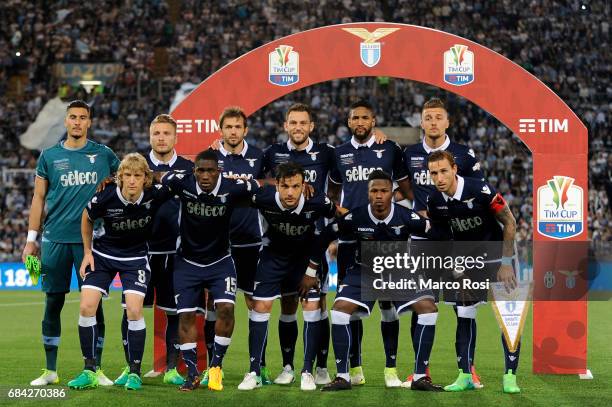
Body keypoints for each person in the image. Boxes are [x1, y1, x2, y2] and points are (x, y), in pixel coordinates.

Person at [23, 100, 119, 387]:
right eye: (73, 117)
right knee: (53, 302)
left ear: (89, 122)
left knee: (94, 305)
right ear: (65, 122)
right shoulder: (49, 156)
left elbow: (124, 182)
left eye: (83, 118)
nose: (77, 122)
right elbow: (38, 199)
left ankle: (95, 368)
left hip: (91, 243)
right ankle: (50, 370)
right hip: (54, 240)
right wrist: (31, 240)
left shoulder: (104, 155)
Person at [320, 170, 443, 392]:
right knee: (338, 311)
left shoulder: (407, 216)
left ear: (392, 193)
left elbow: (437, 235)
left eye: (384, 191)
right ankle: (343, 376)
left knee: (429, 310)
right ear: (368, 193)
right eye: (374, 191)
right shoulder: (355, 216)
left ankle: (420, 377)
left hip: (399, 271)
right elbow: (323, 236)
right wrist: (311, 270)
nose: (378, 195)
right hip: (364, 271)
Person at [67, 153, 171, 390]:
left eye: (137, 176)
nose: (132, 181)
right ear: (120, 178)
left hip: (135, 258)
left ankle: (134, 372)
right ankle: (89, 369)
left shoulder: (155, 194)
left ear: (145, 178)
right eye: (127, 175)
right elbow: (86, 217)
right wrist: (87, 252)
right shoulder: (106, 195)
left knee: (134, 310)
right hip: (103, 256)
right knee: (86, 306)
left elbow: (180, 183)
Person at [327, 100, 411, 387]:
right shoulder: (339, 153)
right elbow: (333, 194)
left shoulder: (390, 149)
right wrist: (343, 217)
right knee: (350, 306)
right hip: (351, 240)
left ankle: (391, 369)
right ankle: (355, 367)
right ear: (349, 122)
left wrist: (387, 207)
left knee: (388, 304)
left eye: (365, 117)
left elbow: (406, 189)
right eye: (355, 118)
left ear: (374, 120)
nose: (360, 121)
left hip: (385, 239)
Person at [402, 97, 485, 388]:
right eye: (428, 117)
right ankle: (420, 370)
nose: (433, 122)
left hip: (457, 244)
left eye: (438, 117)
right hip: (422, 243)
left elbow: (479, 193)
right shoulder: (409, 154)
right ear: (421, 122)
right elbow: (402, 187)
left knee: (463, 306)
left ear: (447, 122)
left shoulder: (463, 155)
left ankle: (467, 369)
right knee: (422, 305)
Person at [161, 149, 259, 391]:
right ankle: (192, 373)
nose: (205, 176)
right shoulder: (182, 183)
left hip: (220, 261)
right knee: (185, 316)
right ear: (194, 171)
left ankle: (215, 367)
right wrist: (116, 178)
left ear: (219, 172)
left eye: (210, 171)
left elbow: (259, 186)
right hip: (187, 263)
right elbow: (155, 176)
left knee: (226, 309)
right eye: (200, 171)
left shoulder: (232, 188)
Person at [237, 162, 338, 391]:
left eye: (295, 186)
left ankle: (307, 371)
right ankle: (255, 371)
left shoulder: (317, 202)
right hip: (273, 258)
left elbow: (340, 218)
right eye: (285, 186)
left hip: (305, 262)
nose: (290, 192)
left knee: (312, 308)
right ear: (277, 186)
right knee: (260, 307)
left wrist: (313, 268)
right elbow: (236, 193)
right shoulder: (263, 197)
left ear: (304, 186)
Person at [426, 150, 520, 394]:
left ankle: (510, 376)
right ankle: (465, 375)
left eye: (444, 171)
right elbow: (444, 239)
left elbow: (509, 222)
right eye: (434, 173)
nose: (439, 178)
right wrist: (457, 271)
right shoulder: (434, 201)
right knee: (465, 313)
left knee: (508, 319)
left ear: (455, 169)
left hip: (498, 257)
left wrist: (507, 262)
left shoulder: (481, 190)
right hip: (466, 261)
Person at [115, 114, 194, 386]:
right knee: (131, 310)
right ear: (150, 136)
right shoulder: (137, 166)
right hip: (139, 252)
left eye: (166, 133)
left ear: (175, 137)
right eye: (156, 133)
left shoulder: (188, 167)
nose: (161, 138)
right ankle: (130, 366)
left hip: (175, 252)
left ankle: (172, 368)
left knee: (173, 311)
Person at [204, 107, 267, 385]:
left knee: (254, 303)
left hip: (251, 241)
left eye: (237, 126)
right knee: (214, 305)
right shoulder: (211, 158)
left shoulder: (258, 157)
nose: (232, 131)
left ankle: (258, 366)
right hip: (218, 243)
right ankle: (212, 366)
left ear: (245, 130)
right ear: (221, 130)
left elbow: (268, 187)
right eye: (228, 127)